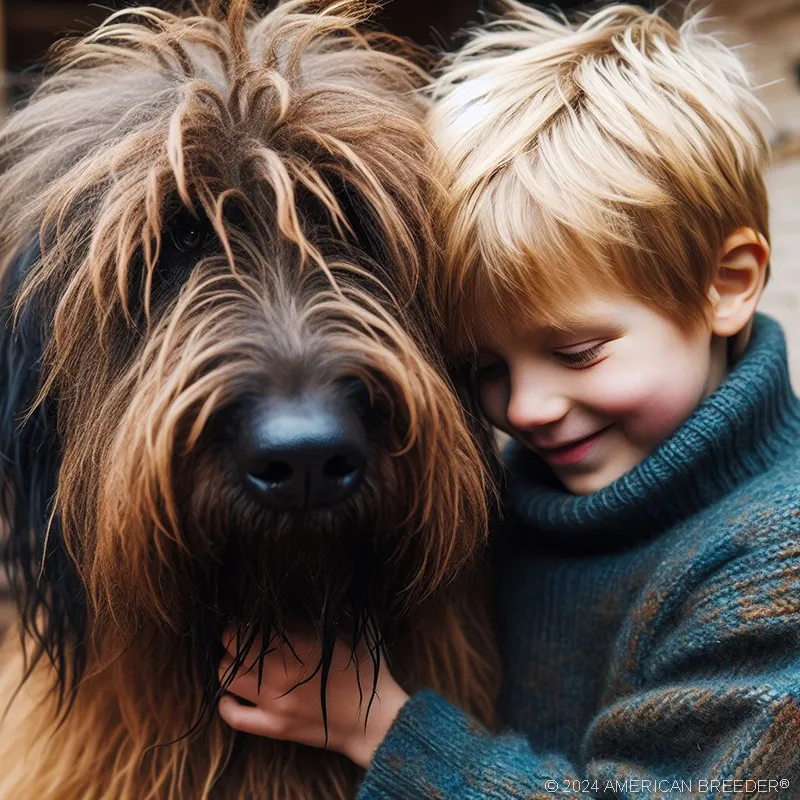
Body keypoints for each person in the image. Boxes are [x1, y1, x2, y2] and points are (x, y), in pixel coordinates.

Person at [217, 4, 800, 796]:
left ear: (727, 285)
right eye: (485, 366)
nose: (525, 409)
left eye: (577, 352)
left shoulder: (775, 567)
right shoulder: (538, 489)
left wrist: (379, 724)